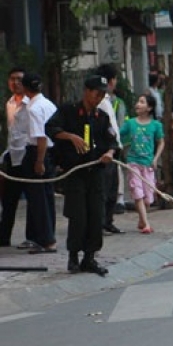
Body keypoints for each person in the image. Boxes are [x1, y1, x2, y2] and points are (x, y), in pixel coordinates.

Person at [45, 75, 119, 276]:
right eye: (97, 93)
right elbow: (50, 128)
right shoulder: (68, 111)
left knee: (96, 215)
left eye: (103, 94)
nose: (99, 97)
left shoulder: (101, 117)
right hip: (75, 172)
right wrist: (71, 137)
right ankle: (73, 257)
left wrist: (109, 154)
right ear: (87, 91)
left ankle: (90, 257)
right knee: (78, 216)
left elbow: (112, 142)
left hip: (95, 173)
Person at [21, 73, 58, 254]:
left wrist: (39, 161)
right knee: (47, 196)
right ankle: (45, 236)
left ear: (26, 88)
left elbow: (40, 137)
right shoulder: (49, 104)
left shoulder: (33, 108)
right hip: (51, 152)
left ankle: (46, 239)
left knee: (38, 199)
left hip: (39, 151)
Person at [120, 94, 164, 234]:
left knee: (148, 199)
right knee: (137, 192)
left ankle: (141, 219)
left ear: (149, 107)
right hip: (133, 163)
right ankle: (146, 224)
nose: (138, 104)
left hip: (148, 164)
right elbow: (118, 134)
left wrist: (156, 158)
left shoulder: (156, 125)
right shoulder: (130, 123)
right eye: (138, 102)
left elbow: (161, 142)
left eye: (142, 102)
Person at [0, 67, 32, 248]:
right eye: (12, 79)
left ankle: (32, 237)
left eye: (19, 79)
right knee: (9, 200)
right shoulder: (10, 103)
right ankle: (4, 237)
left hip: (28, 155)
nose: (15, 83)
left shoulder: (32, 103)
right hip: (12, 156)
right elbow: (11, 132)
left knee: (33, 199)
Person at [95, 64, 123, 235]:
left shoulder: (108, 101)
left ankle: (108, 221)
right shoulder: (101, 103)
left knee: (113, 188)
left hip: (115, 148)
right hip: (106, 150)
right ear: (111, 81)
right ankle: (101, 222)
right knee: (104, 189)